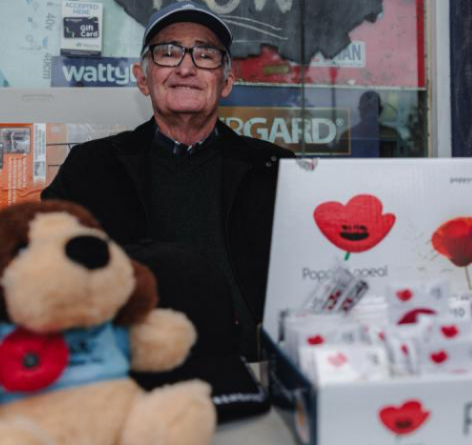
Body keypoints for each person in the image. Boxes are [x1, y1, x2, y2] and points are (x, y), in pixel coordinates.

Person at [42, 2, 294, 422]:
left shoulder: (276, 169)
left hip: (254, 377)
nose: (186, 67)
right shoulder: (90, 168)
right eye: (168, 52)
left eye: (205, 54)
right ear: (143, 78)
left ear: (227, 80)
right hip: (126, 384)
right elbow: (48, 271)